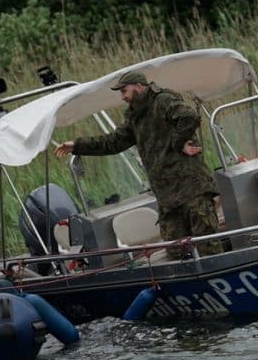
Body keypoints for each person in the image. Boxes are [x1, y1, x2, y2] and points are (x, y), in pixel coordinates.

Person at [53, 70, 222, 259]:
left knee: (210, 249)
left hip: (192, 191)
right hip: (168, 199)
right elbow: (113, 142)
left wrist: (180, 142)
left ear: (139, 86)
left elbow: (188, 116)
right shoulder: (135, 117)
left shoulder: (162, 100)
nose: (123, 97)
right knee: (176, 255)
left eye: (125, 91)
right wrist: (76, 145)